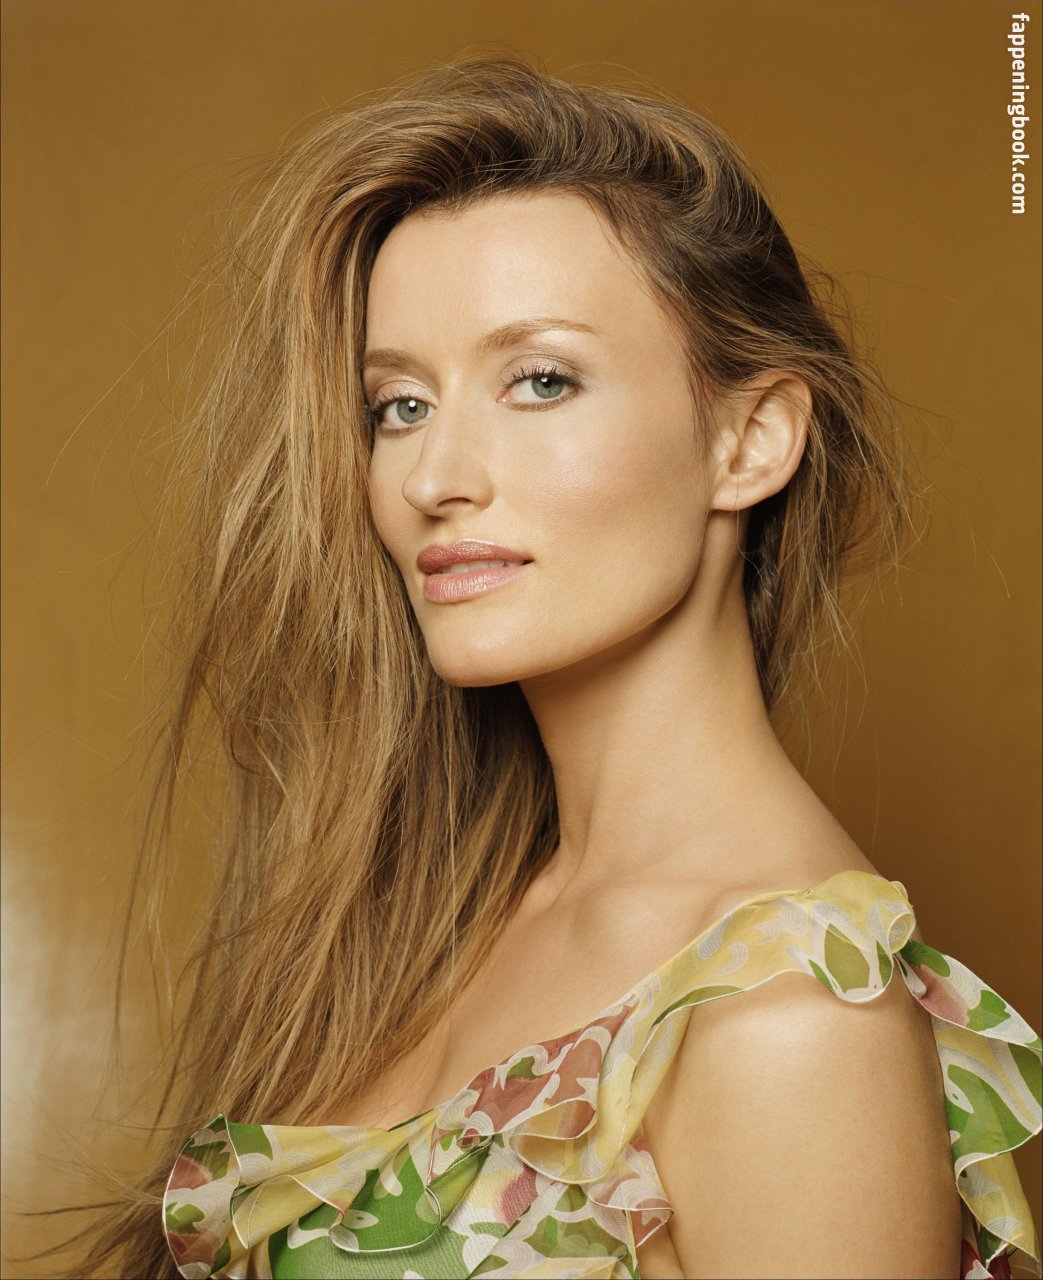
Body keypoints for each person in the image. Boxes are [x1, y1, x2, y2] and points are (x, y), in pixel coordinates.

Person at [68, 56, 1039, 1279]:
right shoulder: (429, 918)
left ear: (749, 439)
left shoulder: (786, 1020)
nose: (434, 478)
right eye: (398, 405)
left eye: (539, 380)